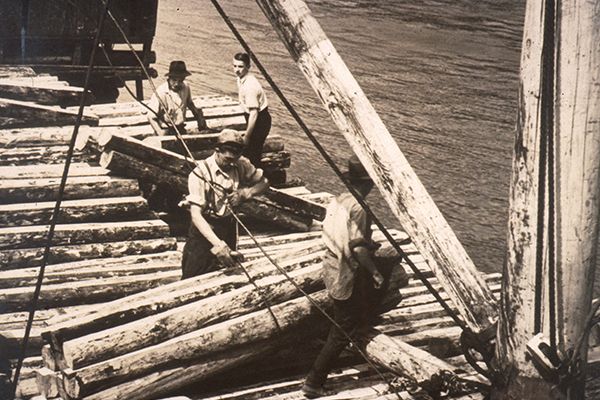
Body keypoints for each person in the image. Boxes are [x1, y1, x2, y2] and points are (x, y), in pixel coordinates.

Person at [302, 155, 385, 399]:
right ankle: (314, 382)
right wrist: (376, 272)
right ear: (369, 182)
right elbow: (357, 250)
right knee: (342, 329)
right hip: (344, 269)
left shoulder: (338, 200)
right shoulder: (359, 208)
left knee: (347, 316)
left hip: (330, 262)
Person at [179, 129, 269, 278]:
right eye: (227, 159)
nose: (231, 162)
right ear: (217, 150)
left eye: (235, 158)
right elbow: (196, 215)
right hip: (204, 230)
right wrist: (218, 245)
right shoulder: (200, 173)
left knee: (227, 274)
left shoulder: (241, 164)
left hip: (228, 226)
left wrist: (246, 193)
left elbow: (264, 183)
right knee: (193, 275)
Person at [147, 60, 208, 135]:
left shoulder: (186, 87)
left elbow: (190, 104)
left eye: (180, 80)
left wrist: (199, 118)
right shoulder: (161, 92)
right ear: (169, 77)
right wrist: (160, 132)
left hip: (181, 129)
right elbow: (150, 117)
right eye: (174, 80)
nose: (177, 84)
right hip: (166, 130)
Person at [233, 52, 272, 167]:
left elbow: (254, 113)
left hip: (260, 120)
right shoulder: (241, 78)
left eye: (240, 67)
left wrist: (247, 137)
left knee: (252, 154)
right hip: (252, 118)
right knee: (250, 153)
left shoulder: (250, 86)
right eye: (234, 66)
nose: (237, 70)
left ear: (248, 67)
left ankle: (255, 178)